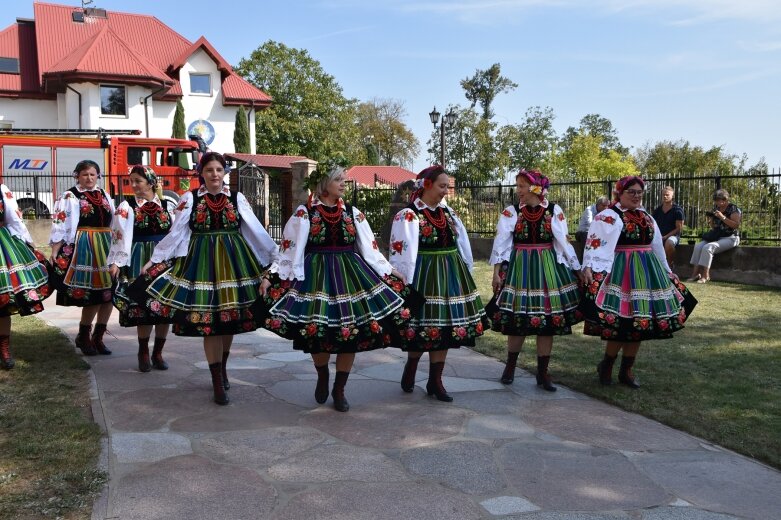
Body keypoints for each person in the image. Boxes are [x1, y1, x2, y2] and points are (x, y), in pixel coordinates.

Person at [260, 165, 415, 412]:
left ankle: (340, 388)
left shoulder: (353, 212)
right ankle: (322, 374)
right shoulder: (305, 213)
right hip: (315, 277)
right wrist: (271, 275)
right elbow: (288, 249)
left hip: (350, 275)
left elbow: (370, 248)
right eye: (339, 180)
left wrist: (388, 270)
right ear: (325, 183)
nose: (344, 184)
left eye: (344, 179)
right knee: (317, 334)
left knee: (350, 334)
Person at [134, 152, 277, 405]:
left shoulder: (236, 198)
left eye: (219, 170)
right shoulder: (189, 199)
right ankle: (215, 380)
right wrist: (155, 260)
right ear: (201, 172)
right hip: (200, 264)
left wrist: (274, 259)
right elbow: (176, 232)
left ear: (225, 173)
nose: (214, 174)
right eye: (209, 170)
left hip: (234, 263)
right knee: (210, 321)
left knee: (229, 319)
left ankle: (222, 368)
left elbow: (255, 230)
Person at [581, 175, 696, 389]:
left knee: (639, 323)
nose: (636, 196)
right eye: (631, 192)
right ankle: (607, 365)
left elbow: (657, 248)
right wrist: (588, 266)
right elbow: (594, 244)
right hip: (621, 273)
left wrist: (668, 272)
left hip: (646, 273)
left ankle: (626, 370)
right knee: (619, 324)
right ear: (619, 194)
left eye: (639, 192)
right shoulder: (608, 216)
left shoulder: (646, 217)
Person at [389, 165, 489, 402]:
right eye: (442, 186)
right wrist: (404, 283)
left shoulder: (449, 213)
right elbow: (401, 252)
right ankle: (412, 366)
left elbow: (462, 243)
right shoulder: (409, 215)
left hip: (450, 274)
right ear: (427, 185)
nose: (446, 191)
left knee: (444, 329)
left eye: (447, 186)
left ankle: (436, 380)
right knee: (420, 328)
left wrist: (466, 267)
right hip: (424, 274)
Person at [488, 169, 583, 392]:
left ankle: (543, 373)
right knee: (517, 321)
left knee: (546, 323)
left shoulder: (553, 210)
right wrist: (495, 272)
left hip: (547, 269)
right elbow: (501, 242)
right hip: (520, 268)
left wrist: (576, 267)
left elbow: (562, 241)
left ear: (535, 189)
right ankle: (510, 367)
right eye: (518, 186)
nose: (518, 190)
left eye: (521, 186)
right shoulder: (511, 212)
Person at [107, 166, 175, 372]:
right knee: (142, 307)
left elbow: (176, 233)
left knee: (164, 307)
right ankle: (143, 351)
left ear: (151, 182)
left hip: (164, 260)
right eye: (131, 181)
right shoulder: (126, 206)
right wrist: (117, 262)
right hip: (138, 258)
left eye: (138, 181)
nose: (134, 185)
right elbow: (119, 236)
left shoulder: (169, 204)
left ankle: (158, 352)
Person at [50, 160, 116, 356]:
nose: (89, 178)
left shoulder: (104, 194)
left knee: (109, 294)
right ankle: (83, 335)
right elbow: (60, 223)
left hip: (105, 246)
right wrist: (56, 249)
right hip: (85, 247)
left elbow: (114, 222)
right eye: (85, 174)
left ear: (98, 176)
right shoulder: (70, 196)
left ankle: (98, 337)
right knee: (93, 295)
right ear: (77, 175)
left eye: (93, 174)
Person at [0, 184, 51, 369]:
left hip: (2, 247)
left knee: (3, 303)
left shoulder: (2, 190)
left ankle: (4, 349)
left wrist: (28, 243)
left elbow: (14, 219)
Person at [688, 189, 741, 284]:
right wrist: (711, 221)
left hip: (730, 238)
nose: (717, 203)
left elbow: (736, 225)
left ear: (725, 199)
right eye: (716, 201)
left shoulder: (733, 209)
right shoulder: (716, 208)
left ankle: (705, 275)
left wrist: (723, 217)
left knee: (708, 247)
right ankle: (695, 274)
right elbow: (715, 227)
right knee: (698, 246)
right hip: (717, 236)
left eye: (719, 200)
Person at [651, 186, 685, 269]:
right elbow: (652, 225)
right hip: (659, 236)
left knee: (669, 243)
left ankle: (669, 267)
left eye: (667, 195)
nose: (665, 196)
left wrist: (666, 236)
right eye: (663, 195)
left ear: (672, 196)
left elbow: (679, 228)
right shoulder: (657, 210)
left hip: (673, 236)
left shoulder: (678, 210)